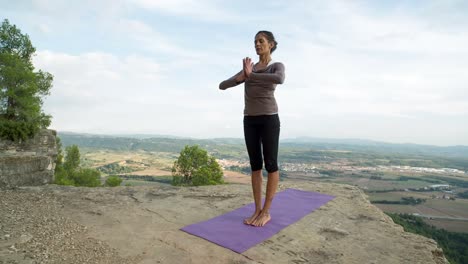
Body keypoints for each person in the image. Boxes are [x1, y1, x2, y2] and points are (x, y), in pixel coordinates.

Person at [219, 30, 285, 227]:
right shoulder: (250, 69)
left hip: (269, 119)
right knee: (255, 166)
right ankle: (257, 209)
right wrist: (241, 77)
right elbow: (222, 85)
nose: (257, 44)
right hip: (250, 120)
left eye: (261, 41)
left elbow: (279, 79)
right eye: (255, 41)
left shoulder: (275, 66)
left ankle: (266, 212)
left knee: (271, 164)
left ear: (271, 44)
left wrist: (251, 75)